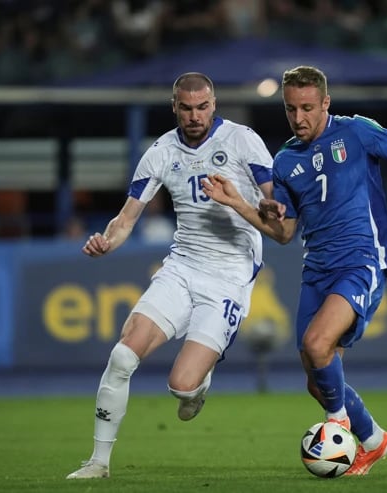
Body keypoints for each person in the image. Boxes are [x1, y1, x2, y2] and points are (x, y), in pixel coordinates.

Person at [202, 65, 387, 476]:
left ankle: (338, 425)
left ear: (326, 102)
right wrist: (238, 203)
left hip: (362, 259)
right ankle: (375, 440)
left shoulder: (356, 132)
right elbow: (284, 232)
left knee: (318, 343)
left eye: (307, 107)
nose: (299, 118)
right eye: (291, 109)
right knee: (315, 378)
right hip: (316, 269)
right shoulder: (285, 162)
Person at [66, 72, 274, 479]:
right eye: (186, 108)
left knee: (181, 385)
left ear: (213, 105)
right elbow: (126, 218)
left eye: (202, 107)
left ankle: (198, 383)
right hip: (182, 267)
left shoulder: (242, 140)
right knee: (123, 355)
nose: (195, 116)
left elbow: (274, 201)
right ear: (174, 107)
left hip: (229, 277)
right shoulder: (161, 151)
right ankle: (99, 462)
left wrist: (264, 209)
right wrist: (107, 241)